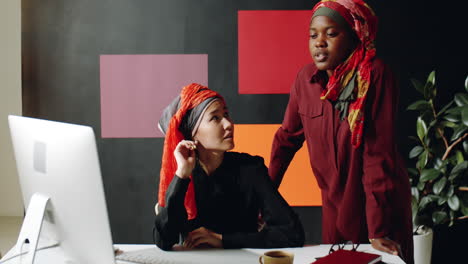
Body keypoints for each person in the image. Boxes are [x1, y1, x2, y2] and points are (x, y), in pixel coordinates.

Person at [268, 0, 414, 263]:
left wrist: (377, 230)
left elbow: (377, 156)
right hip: (334, 206)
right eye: (313, 35)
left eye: (331, 33)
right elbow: (286, 140)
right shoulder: (305, 80)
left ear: (355, 35)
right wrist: (263, 199)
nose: (319, 42)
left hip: (377, 203)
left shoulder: (376, 76)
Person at [153, 83, 304, 251]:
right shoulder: (184, 175)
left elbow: (292, 233)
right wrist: (181, 175)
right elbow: (164, 241)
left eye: (226, 114)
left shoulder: (250, 169)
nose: (228, 124)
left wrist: (223, 240)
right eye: (215, 118)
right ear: (192, 132)